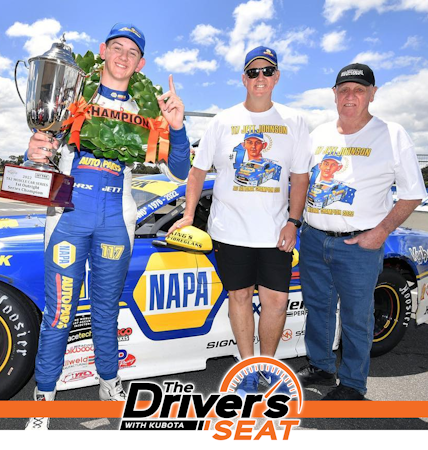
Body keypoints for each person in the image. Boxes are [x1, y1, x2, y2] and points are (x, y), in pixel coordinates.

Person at [25, 23, 190, 429]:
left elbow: (180, 171)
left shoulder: (147, 109)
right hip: (67, 218)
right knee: (59, 314)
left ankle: (109, 383)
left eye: (132, 52)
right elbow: (40, 153)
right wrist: (35, 151)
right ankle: (44, 397)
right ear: (102, 50)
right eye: (117, 47)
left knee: (105, 311)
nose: (123, 56)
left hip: (117, 221)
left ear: (141, 63)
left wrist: (178, 126)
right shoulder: (74, 94)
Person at [168, 46, 311, 396]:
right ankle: (248, 368)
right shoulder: (223, 121)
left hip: (275, 232)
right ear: (243, 79)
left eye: (267, 71)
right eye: (253, 72)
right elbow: (197, 172)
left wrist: (293, 222)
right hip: (229, 231)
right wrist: (188, 216)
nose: (260, 77)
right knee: (240, 296)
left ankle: (268, 367)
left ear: (276, 77)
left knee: (276, 302)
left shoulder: (294, 121)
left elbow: (300, 177)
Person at [298, 63, 427, 400]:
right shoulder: (318, 134)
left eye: (359, 89)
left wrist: (380, 232)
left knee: (357, 316)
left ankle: (353, 384)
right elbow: (301, 182)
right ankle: (322, 367)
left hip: (359, 244)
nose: (350, 96)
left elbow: (413, 193)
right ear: (334, 94)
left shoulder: (392, 134)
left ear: (373, 93)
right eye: (344, 90)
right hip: (314, 238)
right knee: (318, 308)